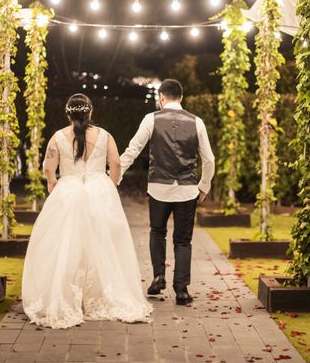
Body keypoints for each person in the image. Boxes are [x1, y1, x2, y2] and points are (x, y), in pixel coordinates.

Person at [22, 94, 153, 329]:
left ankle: (68, 296)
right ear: (90, 112)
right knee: (103, 244)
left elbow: (48, 168)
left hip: (69, 191)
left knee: (65, 244)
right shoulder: (105, 135)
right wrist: (111, 184)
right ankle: (100, 295)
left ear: (68, 114)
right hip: (98, 191)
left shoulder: (58, 137)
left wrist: (53, 184)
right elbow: (115, 163)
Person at [118, 79, 215, 305]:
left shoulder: (151, 119)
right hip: (187, 190)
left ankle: (159, 276)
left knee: (157, 232)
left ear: (161, 97)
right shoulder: (197, 122)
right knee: (183, 241)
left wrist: (116, 174)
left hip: (158, 188)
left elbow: (133, 150)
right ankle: (181, 290)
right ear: (181, 97)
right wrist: (204, 185)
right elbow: (208, 159)